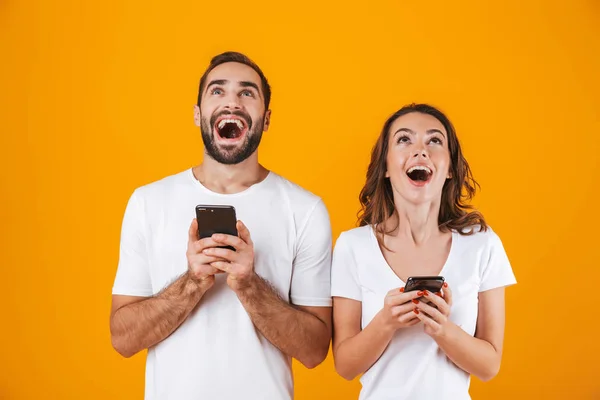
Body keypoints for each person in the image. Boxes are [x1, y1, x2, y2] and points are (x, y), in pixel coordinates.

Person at [109, 51, 333, 400]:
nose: (232, 102)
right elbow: (122, 339)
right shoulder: (148, 202)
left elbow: (315, 350)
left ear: (266, 118)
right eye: (217, 91)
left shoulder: (305, 210)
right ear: (198, 114)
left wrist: (248, 285)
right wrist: (192, 283)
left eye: (247, 93)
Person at [330, 103, 517, 400]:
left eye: (434, 140)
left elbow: (489, 366)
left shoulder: (483, 244)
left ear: (451, 170)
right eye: (404, 139)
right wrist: (386, 322)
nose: (420, 150)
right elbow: (345, 365)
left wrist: (443, 330)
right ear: (387, 168)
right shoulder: (352, 246)